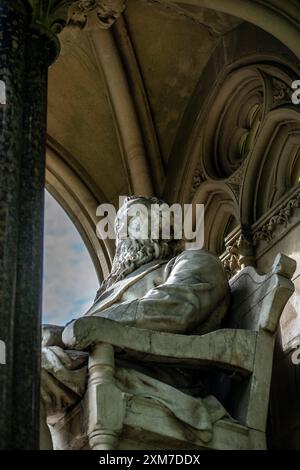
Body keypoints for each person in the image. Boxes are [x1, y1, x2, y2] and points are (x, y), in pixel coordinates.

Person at [41, 196, 230, 448]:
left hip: (152, 375)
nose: (122, 233)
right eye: (120, 226)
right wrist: (57, 335)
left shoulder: (193, 261)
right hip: (88, 365)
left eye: (132, 220)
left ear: (163, 227)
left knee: (28, 372)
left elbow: (175, 310)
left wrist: (71, 332)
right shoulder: (106, 291)